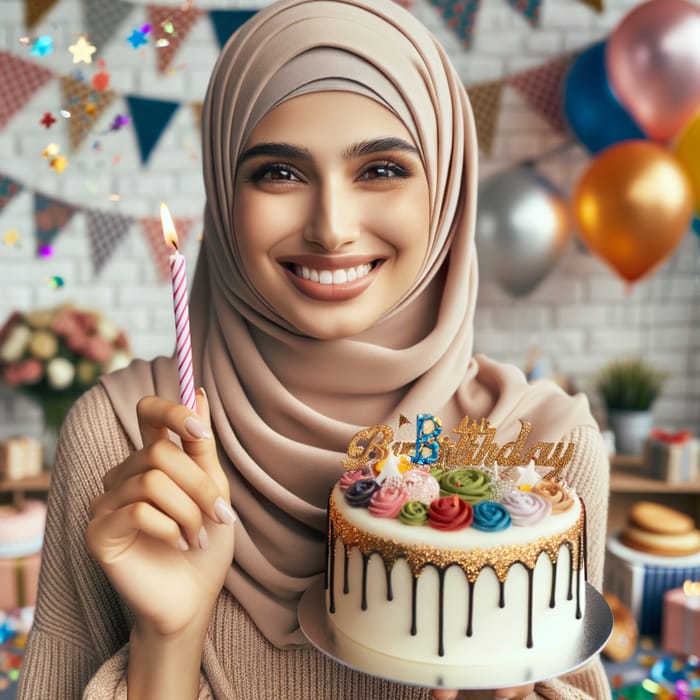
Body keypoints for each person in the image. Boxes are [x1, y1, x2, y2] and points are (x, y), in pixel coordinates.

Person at [17, 0, 612, 698]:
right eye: (279, 173)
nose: (331, 229)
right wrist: (167, 643)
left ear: (446, 188)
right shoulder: (130, 445)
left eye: (383, 169)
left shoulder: (543, 453)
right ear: (222, 190)